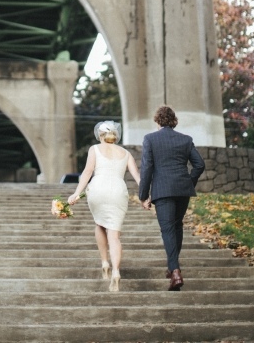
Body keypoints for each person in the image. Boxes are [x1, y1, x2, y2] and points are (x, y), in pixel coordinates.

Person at [68, 121, 140, 292]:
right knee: (114, 235)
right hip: (118, 190)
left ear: (100, 135)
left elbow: (87, 172)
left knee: (100, 224)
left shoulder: (94, 149)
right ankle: (116, 271)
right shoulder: (125, 153)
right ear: (115, 135)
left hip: (98, 188)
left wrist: (77, 193)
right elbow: (137, 176)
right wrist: (145, 196)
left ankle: (104, 262)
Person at [139, 105, 205, 291]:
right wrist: (189, 182)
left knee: (168, 229)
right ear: (174, 121)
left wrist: (143, 196)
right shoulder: (185, 139)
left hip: (163, 190)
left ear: (157, 121)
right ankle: (172, 266)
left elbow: (146, 169)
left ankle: (175, 272)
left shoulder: (150, 139)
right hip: (183, 190)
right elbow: (199, 165)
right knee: (177, 226)